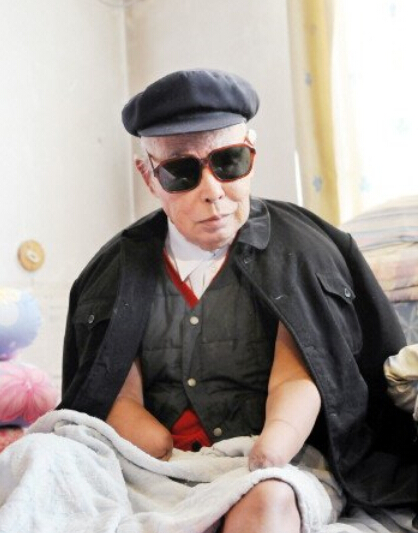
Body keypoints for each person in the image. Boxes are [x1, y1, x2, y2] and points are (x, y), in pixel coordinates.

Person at [59, 69, 416, 532]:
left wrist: (275, 446)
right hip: (151, 470)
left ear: (252, 153)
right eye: (181, 172)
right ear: (149, 176)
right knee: (41, 462)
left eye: (228, 162)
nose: (212, 191)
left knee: (267, 499)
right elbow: (100, 394)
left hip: (277, 466)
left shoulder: (308, 253)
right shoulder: (110, 275)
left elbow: (317, 379)